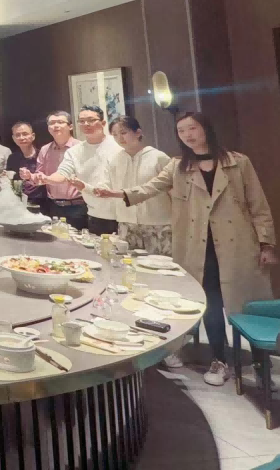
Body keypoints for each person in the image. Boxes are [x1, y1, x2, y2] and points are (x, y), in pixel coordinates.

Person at [94, 112, 277, 387]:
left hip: (238, 245)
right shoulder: (178, 166)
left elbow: (258, 205)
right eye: (181, 131)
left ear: (206, 129)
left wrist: (267, 244)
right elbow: (151, 187)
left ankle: (262, 365)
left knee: (247, 304)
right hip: (198, 246)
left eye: (192, 128)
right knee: (210, 305)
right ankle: (219, 359)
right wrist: (119, 194)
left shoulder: (238, 162)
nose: (188, 135)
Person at [25, 106, 119, 235]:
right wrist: (46, 179)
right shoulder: (75, 151)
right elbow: (63, 173)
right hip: (94, 212)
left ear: (103, 123)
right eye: (82, 121)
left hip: (121, 211)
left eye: (91, 120)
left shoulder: (117, 145)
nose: (86, 124)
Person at [99, 116, 173, 255]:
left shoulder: (158, 157)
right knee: (129, 263)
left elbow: (172, 190)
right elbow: (107, 185)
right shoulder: (114, 160)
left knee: (161, 263)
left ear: (138, 132)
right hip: (126, 223)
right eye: (115, 135)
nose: (120, 138)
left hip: (158, 223)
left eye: (123, 132)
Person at [25, 111, 83, 227]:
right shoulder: (45, 149)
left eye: (60, 122)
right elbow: (40, 176)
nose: (55, 126)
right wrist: (30, 176)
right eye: (52, 123)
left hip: (78, 206)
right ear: (48, 128)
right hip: (53, 206)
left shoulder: (81, 147)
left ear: (70, 126)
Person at [6, 121, 46, 211]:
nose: (21, 138)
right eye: (17, 135)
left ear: (33, 136)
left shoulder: (43, 155)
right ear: (13, 138)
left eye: (25, 134)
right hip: (18, 205)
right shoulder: (12, 158)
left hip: (42, 204)